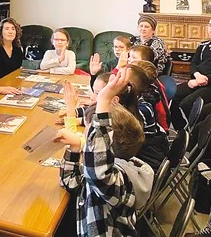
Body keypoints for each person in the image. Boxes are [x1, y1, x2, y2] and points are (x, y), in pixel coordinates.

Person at [55, 68, 154, 237]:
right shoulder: (107, 168)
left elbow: (98, 171)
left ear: (103, 144)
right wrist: (75, 148)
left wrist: (104, 100)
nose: (87, 135)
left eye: (90, 131)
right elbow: (70, 182)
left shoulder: (116, 178)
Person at [171, 16, 211, 130]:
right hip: (198, 79)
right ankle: (180, 129)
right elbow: (193, 63)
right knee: (174, 95)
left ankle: (196, 132)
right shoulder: (203, 45)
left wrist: (205, 80)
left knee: (186, 104)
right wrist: (196, 76)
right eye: (210, 25)